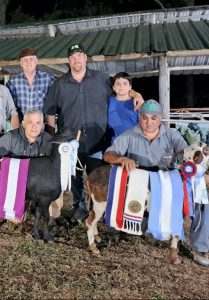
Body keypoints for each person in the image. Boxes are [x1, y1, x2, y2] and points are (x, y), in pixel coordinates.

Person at [43, 43, 144, 222]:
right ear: (69, 60)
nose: (76, 59)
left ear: (85, 57)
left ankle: (101, 208)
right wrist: (51, 137)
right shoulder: (59, 84)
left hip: (98, 139)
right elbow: (50, 111)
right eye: (73, 57)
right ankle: (79, 207)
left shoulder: (102, 78)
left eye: (79, 55)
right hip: (70, 140)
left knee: (99, 176)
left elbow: (122, 87)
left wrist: (136, 94)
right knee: (74, 178)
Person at [104, 99, 209, 268]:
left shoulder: (172, 135)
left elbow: (188, 157)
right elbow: (108, 155)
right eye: (145, 118)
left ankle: (201, 248)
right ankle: (127, 226)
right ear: (139, 118)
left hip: (167, 180)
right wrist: (120, 158)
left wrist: (199, 172)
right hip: (141, 180)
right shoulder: (130, 134)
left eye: (154, 118)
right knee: (115, 184)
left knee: (201, 199)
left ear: (160, 118)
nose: (149, 122)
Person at [6, 47, 55, 121]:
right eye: (25, 60)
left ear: (36, 61)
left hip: (41, 127)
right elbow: (10, 108)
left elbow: (55, 103)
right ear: (21, 63)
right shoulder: (13, 82)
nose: (28, 62)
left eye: (31, 59)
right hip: (22, 127)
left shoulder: (48, 79)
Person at [108, 72, 141, 143]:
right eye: (118, 83)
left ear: (130, 87)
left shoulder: (137, 102)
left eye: (125, 83)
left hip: (134, 142)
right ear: (113, 87)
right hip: (114, 144)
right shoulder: (107, 102)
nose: (121, 86)